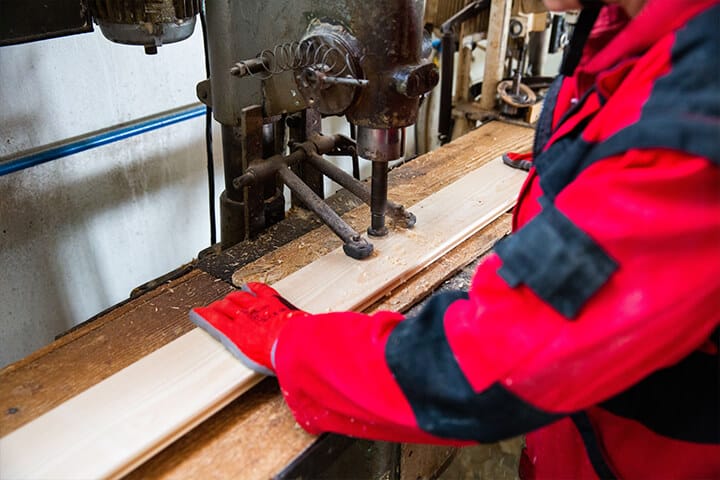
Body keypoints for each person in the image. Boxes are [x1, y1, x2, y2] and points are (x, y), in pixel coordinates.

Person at [190, 0, 720, 477]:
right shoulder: (630, 32)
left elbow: (497, 363)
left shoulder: (697, 108)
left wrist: (296, 345)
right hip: (580, 440)